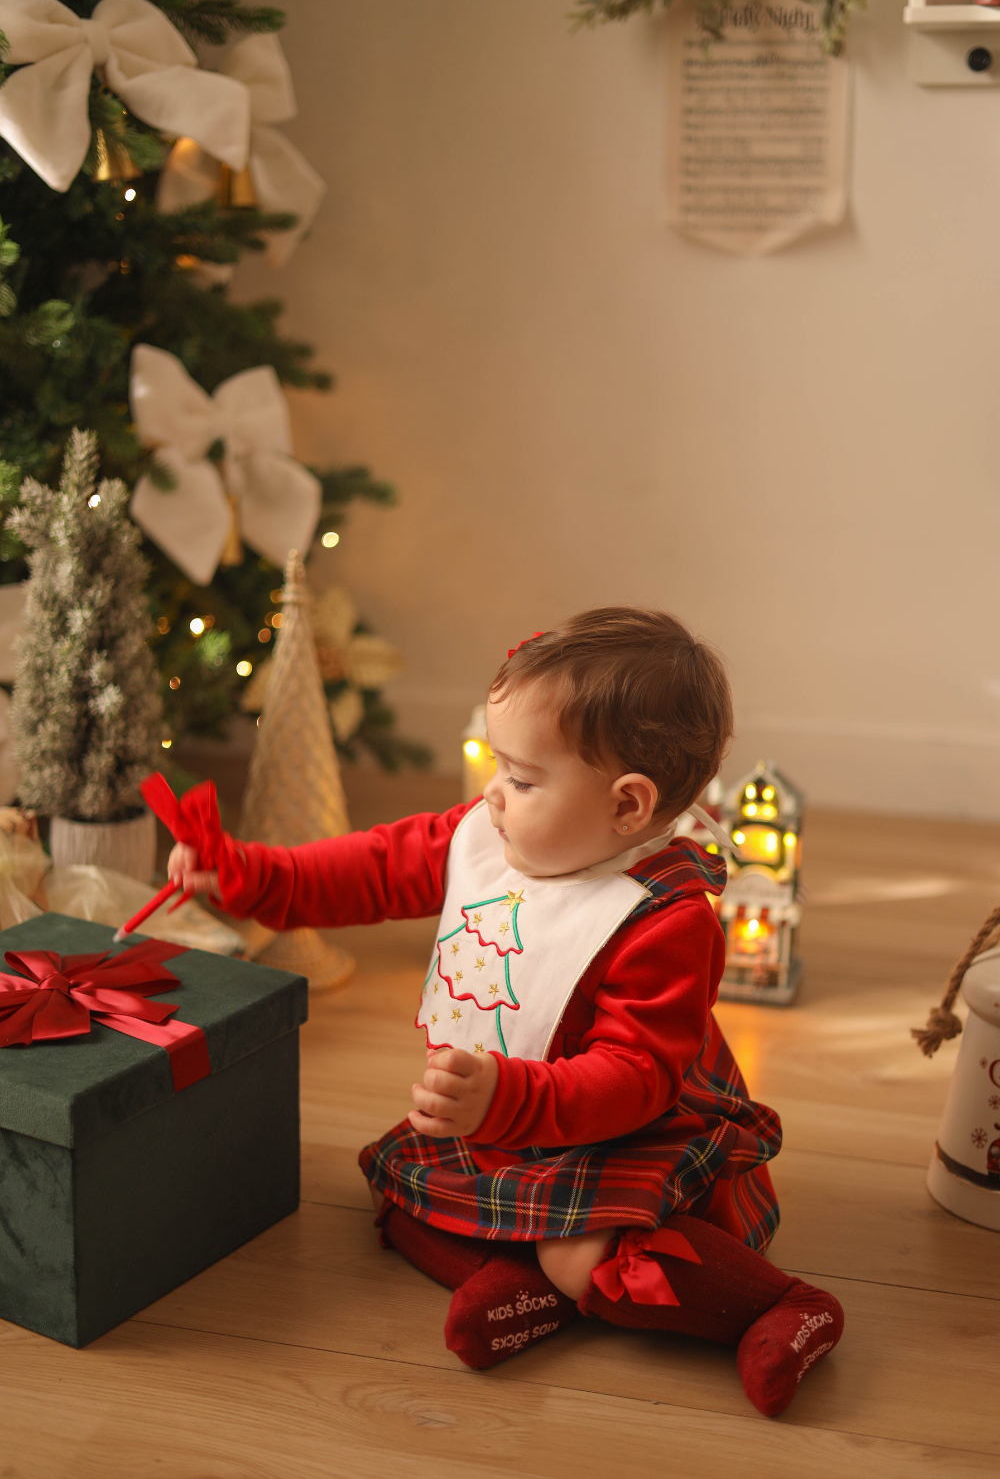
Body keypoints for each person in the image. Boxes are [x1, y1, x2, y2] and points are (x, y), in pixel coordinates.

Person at [166, 607, 843, 1417]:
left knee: (582, 1252)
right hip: (507, 1117)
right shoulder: (489, 835)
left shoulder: (665, 918)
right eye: (498, 765)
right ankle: (534, 1288)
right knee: (396, 1191)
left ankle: (777, 1305)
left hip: (623, 1126)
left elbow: (635, 1078)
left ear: (629, 807)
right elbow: (370, 869)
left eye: (522, 779)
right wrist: (251, 877)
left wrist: (504, 1099)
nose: (491, 794)